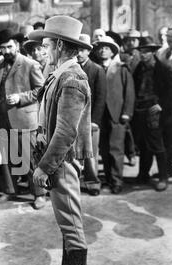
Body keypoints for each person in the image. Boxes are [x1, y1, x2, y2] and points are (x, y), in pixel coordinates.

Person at [30, 16, 94, 265]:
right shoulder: (61, 73)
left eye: (46, 46)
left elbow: (66, 131)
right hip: (58, 158)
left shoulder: (72, 78)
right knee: (64, 218)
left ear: (58, 45)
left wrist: (45, 167)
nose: (43, 51)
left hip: (62, 160)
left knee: (71, 221)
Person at [0, 29, 46, 210]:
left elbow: (41, 90)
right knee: (6, 159)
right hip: (3, 120)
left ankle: (39, 194)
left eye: (9, 47)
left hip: (25, 120)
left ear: (17, 46)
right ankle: (9, 190)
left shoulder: (30, 64)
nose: (6, 51)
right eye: (3, 48)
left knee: (30, 159)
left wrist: (21, 97)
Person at [133, 38, 172, 191]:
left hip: (155, 111)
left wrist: (161, 105)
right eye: (141, 52)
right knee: (143, 144)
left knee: (157, 144)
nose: (143, 55)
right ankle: (143, 174)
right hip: (140, 109)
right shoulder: (139, 67)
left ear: (153, 52)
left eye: (146, 52)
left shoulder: (163, 69)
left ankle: (163, 177)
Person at [94, 36, 135, 194]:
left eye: (106, 48)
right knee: (104, 148)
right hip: (100, 114)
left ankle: (117, 180)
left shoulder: (121, 68)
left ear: (112, 52)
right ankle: (109, 178)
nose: (103, 50)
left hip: (117, 114)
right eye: (100, 48)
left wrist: (126, 113)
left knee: (116, 149)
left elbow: (129, 93)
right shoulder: (96, 68)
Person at [77, 34, 106, 196]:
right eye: (77, 50)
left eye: (83, 50)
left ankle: (93, 182)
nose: (79, 54)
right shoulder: (69, 68)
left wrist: (95, 120)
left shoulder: (96, 70)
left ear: (88, 51)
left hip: (89, 120)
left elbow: (101, 98)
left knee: (91, 153)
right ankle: (74, 182)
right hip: (72, 119)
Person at [157, 24, 172, 177]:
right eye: (169, 36)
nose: (171, 39)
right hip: (167, 101)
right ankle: (169, 169)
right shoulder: (161, 53)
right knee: (169, 137)